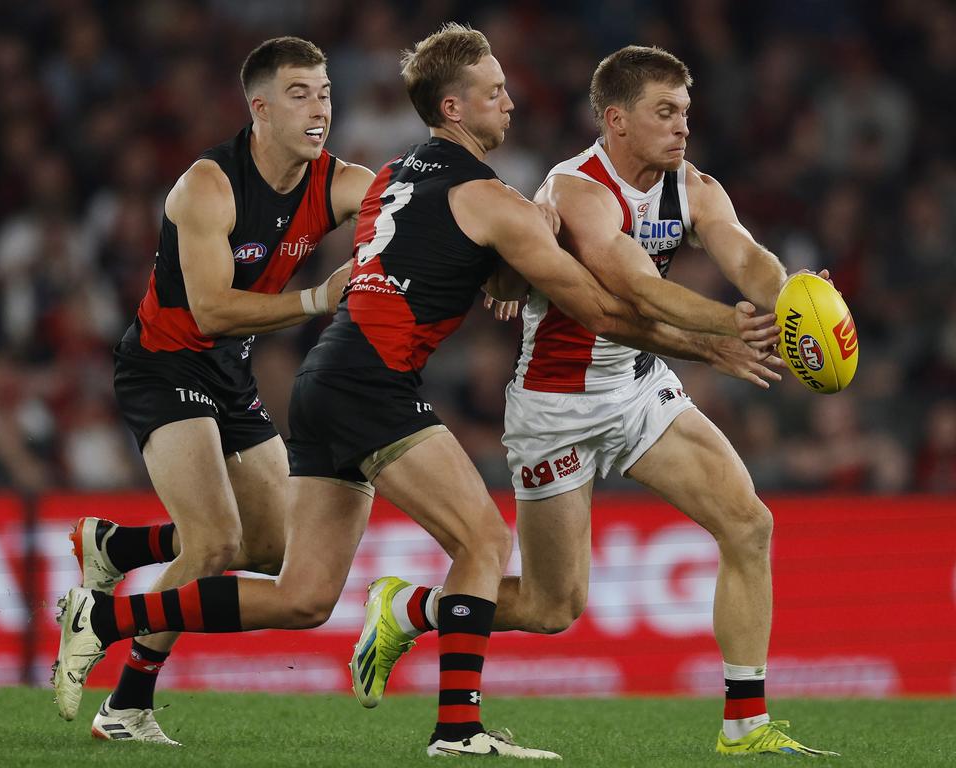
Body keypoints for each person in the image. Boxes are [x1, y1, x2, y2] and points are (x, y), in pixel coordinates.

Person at [51, 25, 778, 759]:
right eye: (496, 93)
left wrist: (511, 265)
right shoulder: (490, 199)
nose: (512, 104)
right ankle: (458, 728)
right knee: (483, 542)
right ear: (455, 108)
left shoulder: (397, 173)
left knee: (303, 595)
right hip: (372, 384)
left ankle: (106, 620)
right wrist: (711, 342)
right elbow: (599, 307)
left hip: (326, 380)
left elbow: (449, 256)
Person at [350, 46, 839, 758]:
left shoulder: (694, 186)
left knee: (748, 524)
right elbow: (636, 287)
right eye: (664, 113)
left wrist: (794, 297)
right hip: (556, 405)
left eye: (686, 114)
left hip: (638, 387)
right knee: (554, 609)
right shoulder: (575, 189)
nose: (681, 129)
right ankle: (408, 607)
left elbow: (745, 254)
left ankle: (746, 726)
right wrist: (728, 325)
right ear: (616, 120)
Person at [57, 36, 374, 745]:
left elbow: (405, 204)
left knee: (267, 549)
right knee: (212, 542)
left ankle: (118, 547)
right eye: (299, 94)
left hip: (229, 371)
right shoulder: (208, 185)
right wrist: (317, 298)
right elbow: (209, 310)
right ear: (259, 109)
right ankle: (126, 706)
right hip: (164, 365)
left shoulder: (334, 179)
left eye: (323, 92)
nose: (319, 106)